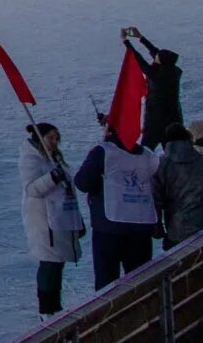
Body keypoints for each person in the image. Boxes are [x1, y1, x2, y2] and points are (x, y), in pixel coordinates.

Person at [75, 115, 162, 289]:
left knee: (107, 286)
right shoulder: (146, 155)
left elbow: (82, 182)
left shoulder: (103, 151)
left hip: (110, 226)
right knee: (141, 283)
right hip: (141, 225)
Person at [22, 121, 84, 315]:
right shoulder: (31, 160)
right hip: (44, 221)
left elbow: (68, 191)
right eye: (51, 138)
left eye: (57, 138)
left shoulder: (55, 159)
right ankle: (47, 308)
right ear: (40, 138)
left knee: (57, 263)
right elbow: (31, 189)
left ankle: (54, 305)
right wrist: (52, 178)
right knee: (49, 262)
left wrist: (77, 220)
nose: (55, 142)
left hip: (61, 217)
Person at [153, 124, 203, 248]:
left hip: (177, 231)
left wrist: (157, 228)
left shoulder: (160, 166)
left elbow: (155, 201)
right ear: (189, 139)